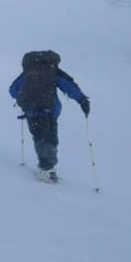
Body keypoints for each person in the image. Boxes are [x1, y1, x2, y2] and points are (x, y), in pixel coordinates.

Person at [9, 50, 89, 182]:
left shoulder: (27, 74)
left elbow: (12, 90)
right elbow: (69, 86)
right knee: (50, 138)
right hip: (50, 111)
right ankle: (46, 168)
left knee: (40, 137)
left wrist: (23, 98)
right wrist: (82, 100)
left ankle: (46, 167)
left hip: (31, 112)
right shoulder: (53, 72)